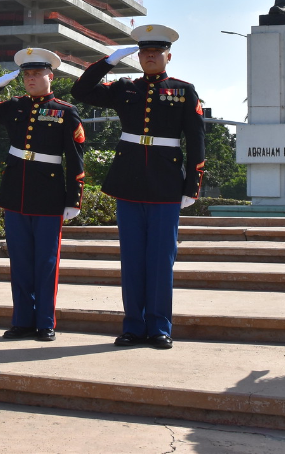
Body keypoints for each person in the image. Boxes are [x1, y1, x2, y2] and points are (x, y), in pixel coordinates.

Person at [72, 25, 206, 350]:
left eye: (157, 52)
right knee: (131, 259)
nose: (150, 56)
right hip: (128, 181)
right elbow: (81, 91)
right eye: (145, 52)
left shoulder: (183, 91)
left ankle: (159, 327)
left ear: (168, 56)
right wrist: (109, 61)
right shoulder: (125, 87)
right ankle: (133, 325)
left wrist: (192, 186)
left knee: (161, 260)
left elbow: (196, 140)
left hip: (165, 183)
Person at [0, 48, 84, 342]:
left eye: (37, 73)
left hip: (48, 194)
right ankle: (22, 320)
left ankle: (45, 322)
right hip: (15, 192)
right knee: (20, 261)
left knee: (45, 263)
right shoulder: (15, 105)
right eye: (27, 74)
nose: (31, 78)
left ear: (50, 76)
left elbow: (75, 157)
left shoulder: (64, 111)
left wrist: (74, 198)